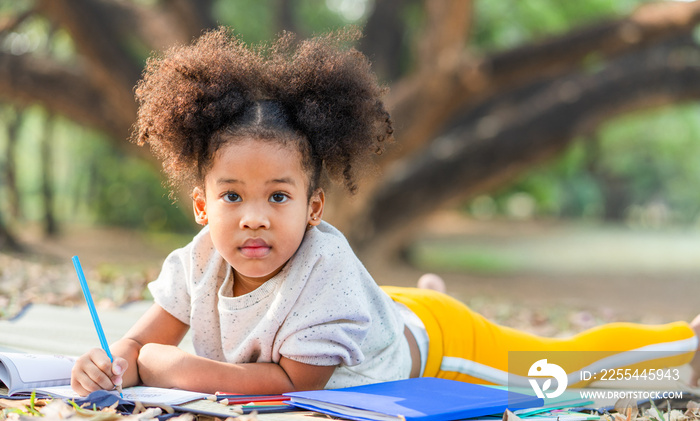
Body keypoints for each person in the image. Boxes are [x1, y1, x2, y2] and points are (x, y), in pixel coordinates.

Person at [71, 28, 700, 397]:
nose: (254, 217)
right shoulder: (198, 261)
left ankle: (685, 348)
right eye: (232, 196)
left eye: (279, 197)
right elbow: (140, 341)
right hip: (375, 307)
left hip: (441, 349)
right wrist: (115, 360)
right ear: (203, 206)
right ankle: (420, 299)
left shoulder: (325, 265)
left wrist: (171, 367)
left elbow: (293, 383)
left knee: (554, 372)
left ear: (314, 207)